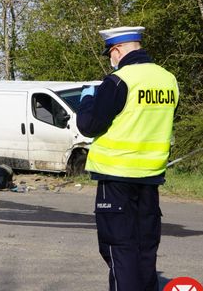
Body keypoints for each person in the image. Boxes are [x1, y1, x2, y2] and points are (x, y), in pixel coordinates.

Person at [77, 26, 179, 291]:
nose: (110, 60)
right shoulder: (168, 79)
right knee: (145, 248)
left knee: (120, 248)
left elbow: (89, 125)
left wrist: (87, 99)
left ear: (117, 50)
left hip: (117, 176)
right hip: (150, 176)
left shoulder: (119, 81)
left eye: (110, 54)